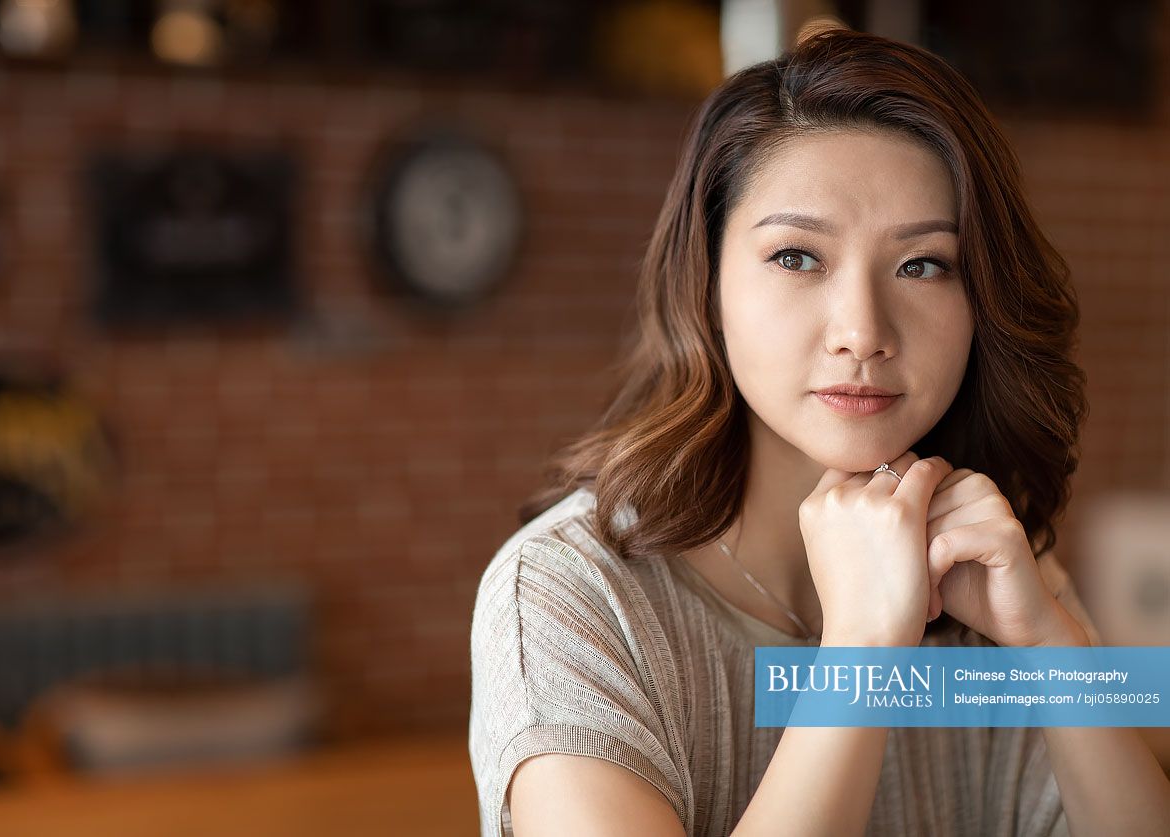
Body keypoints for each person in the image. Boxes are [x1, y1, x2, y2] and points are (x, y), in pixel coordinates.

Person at [468, 26, 1170, 837]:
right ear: (707, 285)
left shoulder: (997, 564)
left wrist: (1052, 643)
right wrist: (864, 648)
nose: (862, 331)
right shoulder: (569, 595)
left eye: (922, 264)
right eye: (797, 257)